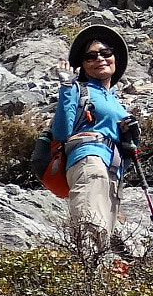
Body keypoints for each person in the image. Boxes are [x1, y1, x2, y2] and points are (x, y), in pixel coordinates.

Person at [51, 24, 139, 255]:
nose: (99, 58)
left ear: (114, 58)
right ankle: (85, 280)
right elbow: (61, 131)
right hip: (89, 161)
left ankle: (93, 286)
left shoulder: (117, 102)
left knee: (103, 238)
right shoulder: (79, 89)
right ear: (83, 65)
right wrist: (66, 86)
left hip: (113, 173)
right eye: (90, 56)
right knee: (89, 228)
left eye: (105, 53)